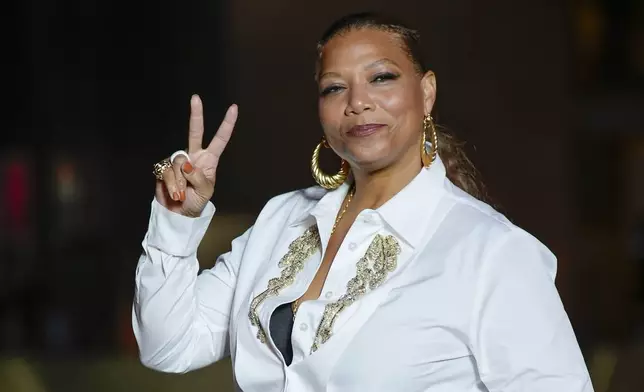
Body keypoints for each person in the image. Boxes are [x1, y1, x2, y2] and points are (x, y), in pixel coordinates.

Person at [132, 12, 594, 392]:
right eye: (335, 87)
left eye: (382, 78)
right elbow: (168, 346)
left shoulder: (493, 252)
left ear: (426, 92)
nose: (358, 102)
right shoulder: (281, 221)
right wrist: (176, 220)